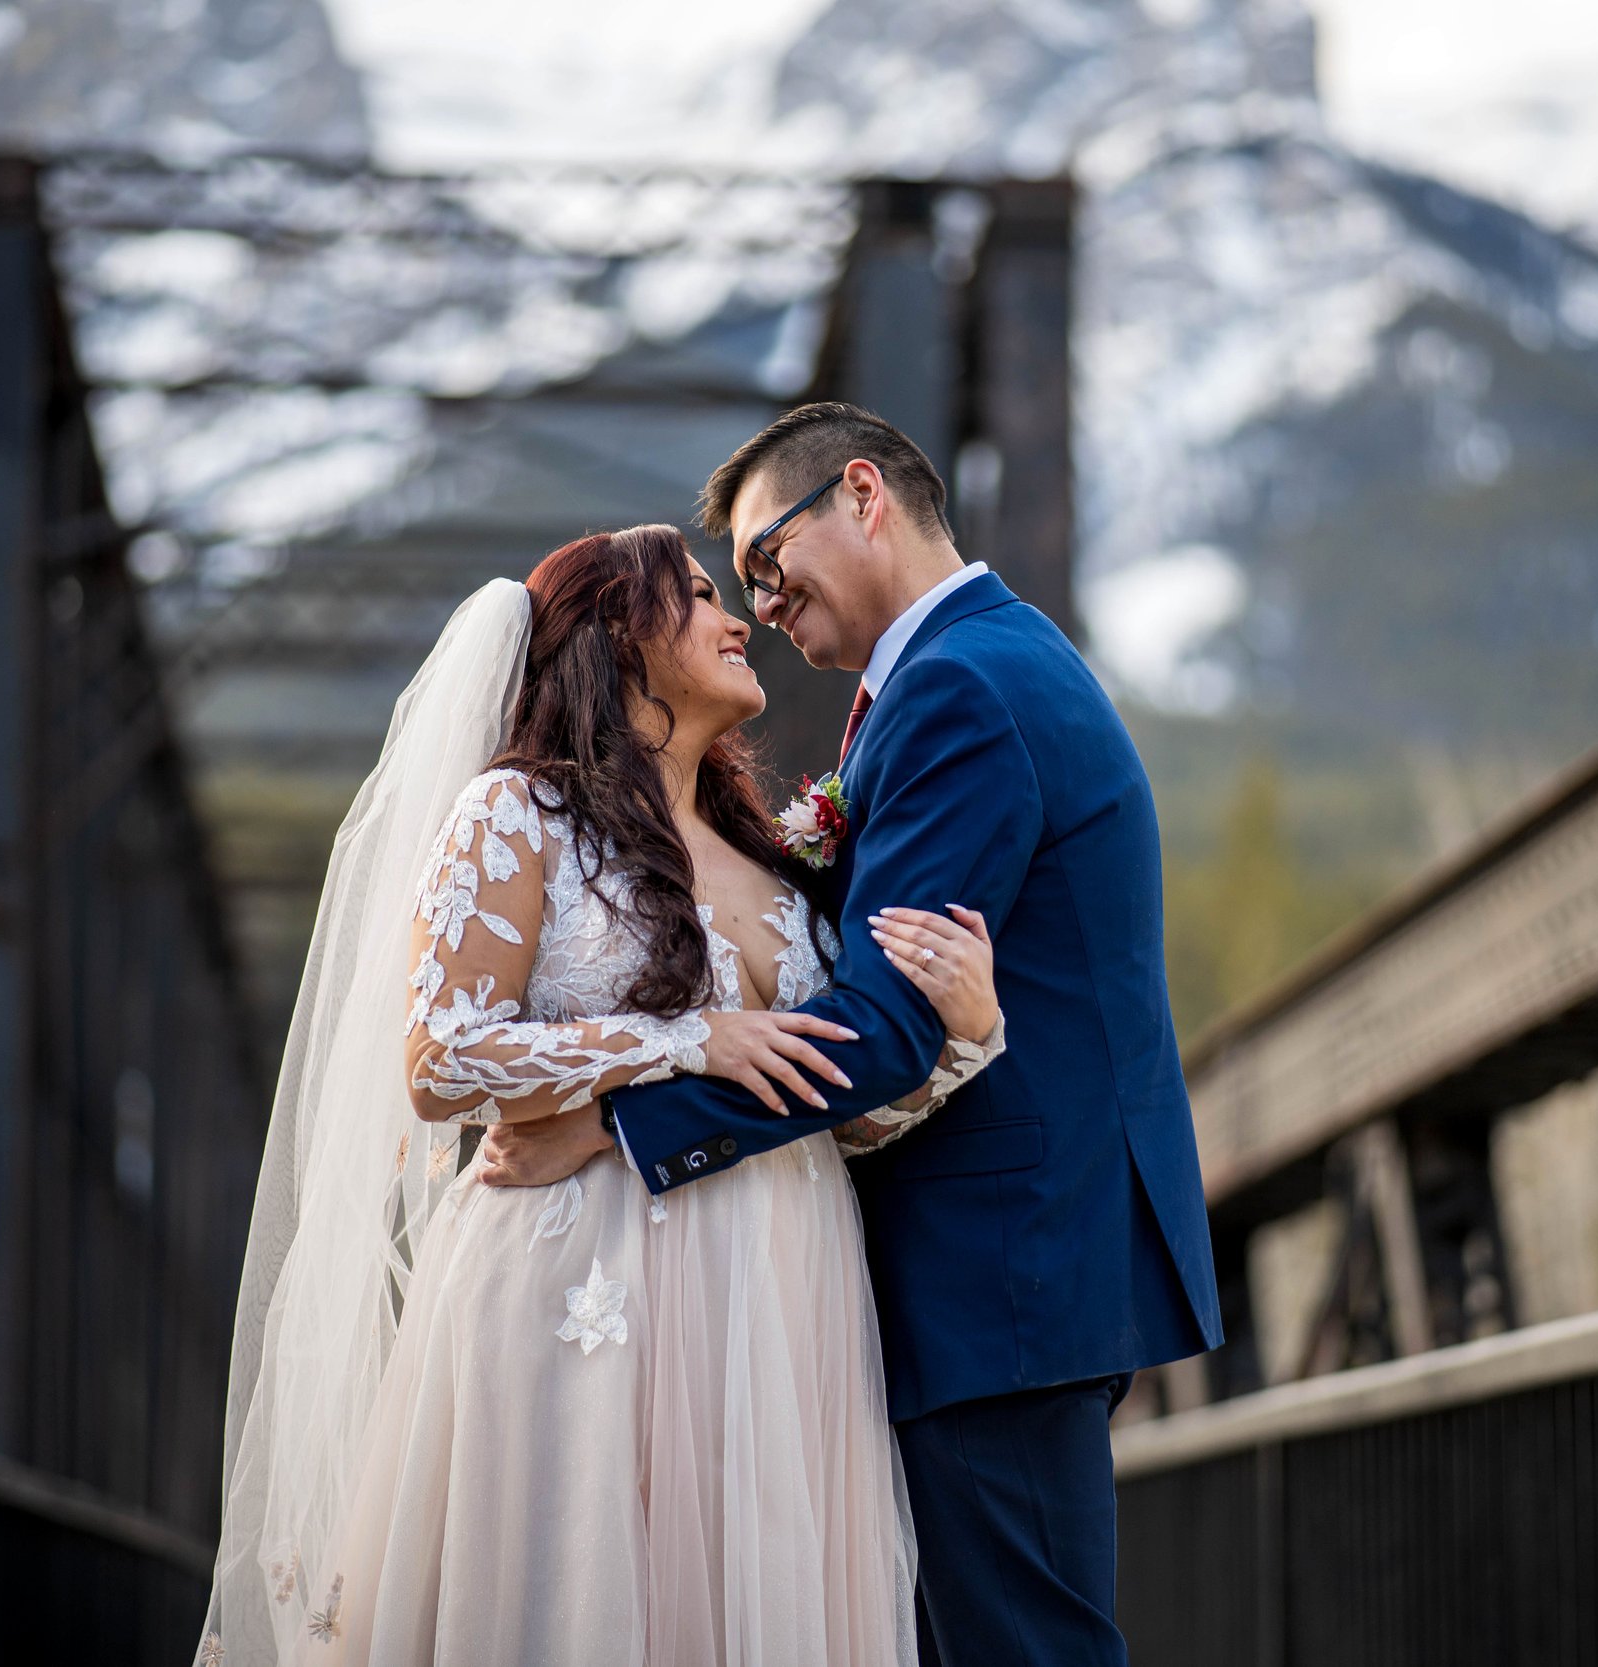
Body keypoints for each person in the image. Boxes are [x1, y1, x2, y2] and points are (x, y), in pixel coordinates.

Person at [485, 403, 1223, 1666]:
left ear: (863, 495)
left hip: (993, 1273)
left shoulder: (958, 688)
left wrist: (619, 1119)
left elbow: (882, 1025)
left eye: (768, 560)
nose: (761, 602)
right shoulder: (975, 666)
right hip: (1002, 1268)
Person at [195, 525, 1006, 1665]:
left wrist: (966, 1036)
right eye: (703, 596)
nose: (742, 621)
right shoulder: (514, 814)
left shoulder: (766, 853)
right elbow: (441, 1058)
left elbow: (837, 1103)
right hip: (583, 1281)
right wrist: (685, 1039)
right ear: (620, 636)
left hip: (782, 1296)